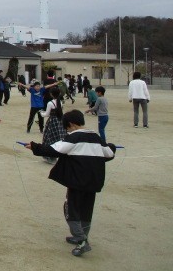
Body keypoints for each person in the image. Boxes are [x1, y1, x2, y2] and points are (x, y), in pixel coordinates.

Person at [24, 110, 116, 257]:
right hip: (93, 182)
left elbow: (55, 149)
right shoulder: (96, 137)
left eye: (67, 127)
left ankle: (81, 239)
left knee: (71, 209)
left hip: (77, 181)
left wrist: (35, 146)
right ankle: (82, 237)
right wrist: (111, 146)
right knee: (86, 210)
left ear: (71, 124)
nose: (67, 130)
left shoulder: (74, 137)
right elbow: (109, 153)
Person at [40, 87, 66, 164]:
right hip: (59, 121)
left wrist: (41, 113)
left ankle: (50, 157)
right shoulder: (60, 102)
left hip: (52, 122)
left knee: (49, 138)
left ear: (51, 94)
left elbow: (46, 114)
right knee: (58, 138)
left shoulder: (50, 103)